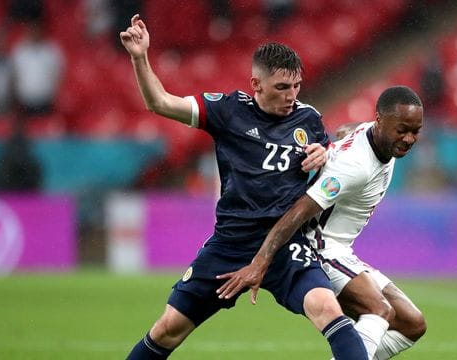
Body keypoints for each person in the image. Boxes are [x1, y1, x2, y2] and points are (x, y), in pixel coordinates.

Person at [120, 14, 368, 359]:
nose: (291, 96)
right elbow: (159, 102)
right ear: (256, 84)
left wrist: (323, 155)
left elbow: (329, 160)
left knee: (327, 308)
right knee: (167, 329)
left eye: (296, 86)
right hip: (231, 244)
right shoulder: (228, 111)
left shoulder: (308, 119)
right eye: (282, 88)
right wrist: (139, 56)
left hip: (284, 244)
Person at [217, 86, 427, 359]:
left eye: (415, 131)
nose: (409, 138)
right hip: (319, 248)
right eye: (402, 130)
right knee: (379, 310)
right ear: (379, 121)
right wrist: (260, 263)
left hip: (342, 251)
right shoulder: (355, 167)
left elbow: (347, 131)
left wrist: (333, 144)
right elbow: (298, 212)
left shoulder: (375, 137)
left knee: (412, 324)